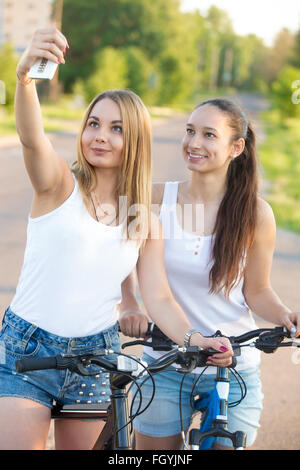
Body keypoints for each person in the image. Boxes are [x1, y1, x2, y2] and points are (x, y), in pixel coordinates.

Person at [0, 29, 233, 450]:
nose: (100, 136)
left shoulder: (144, 216)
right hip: (27, 350)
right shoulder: (59, 185)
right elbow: (32, 139)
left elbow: (159, 298)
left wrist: (198, 340)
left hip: (96, 356)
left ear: (136, 141)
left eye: (116, 128)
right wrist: (24, 81)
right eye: (93, 123)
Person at [119, 98, 300, 450]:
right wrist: (129, 303)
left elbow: (258, 290)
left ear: (236, 147)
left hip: (233, 367)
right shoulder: (154, 199)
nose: (194, 143)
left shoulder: (256, 214)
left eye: (208, 135)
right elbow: (117, 256)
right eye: (190, 131)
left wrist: (285, 317)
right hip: (165, 365)